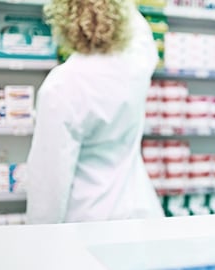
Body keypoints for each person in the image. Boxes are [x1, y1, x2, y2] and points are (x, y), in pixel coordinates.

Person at [26, 0, 164, 224]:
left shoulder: (62, 85)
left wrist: (39, 240)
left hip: (89, 221)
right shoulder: (136, 64)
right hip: (140, 216)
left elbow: (49, 183)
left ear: (63, 19)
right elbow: (139, 30)